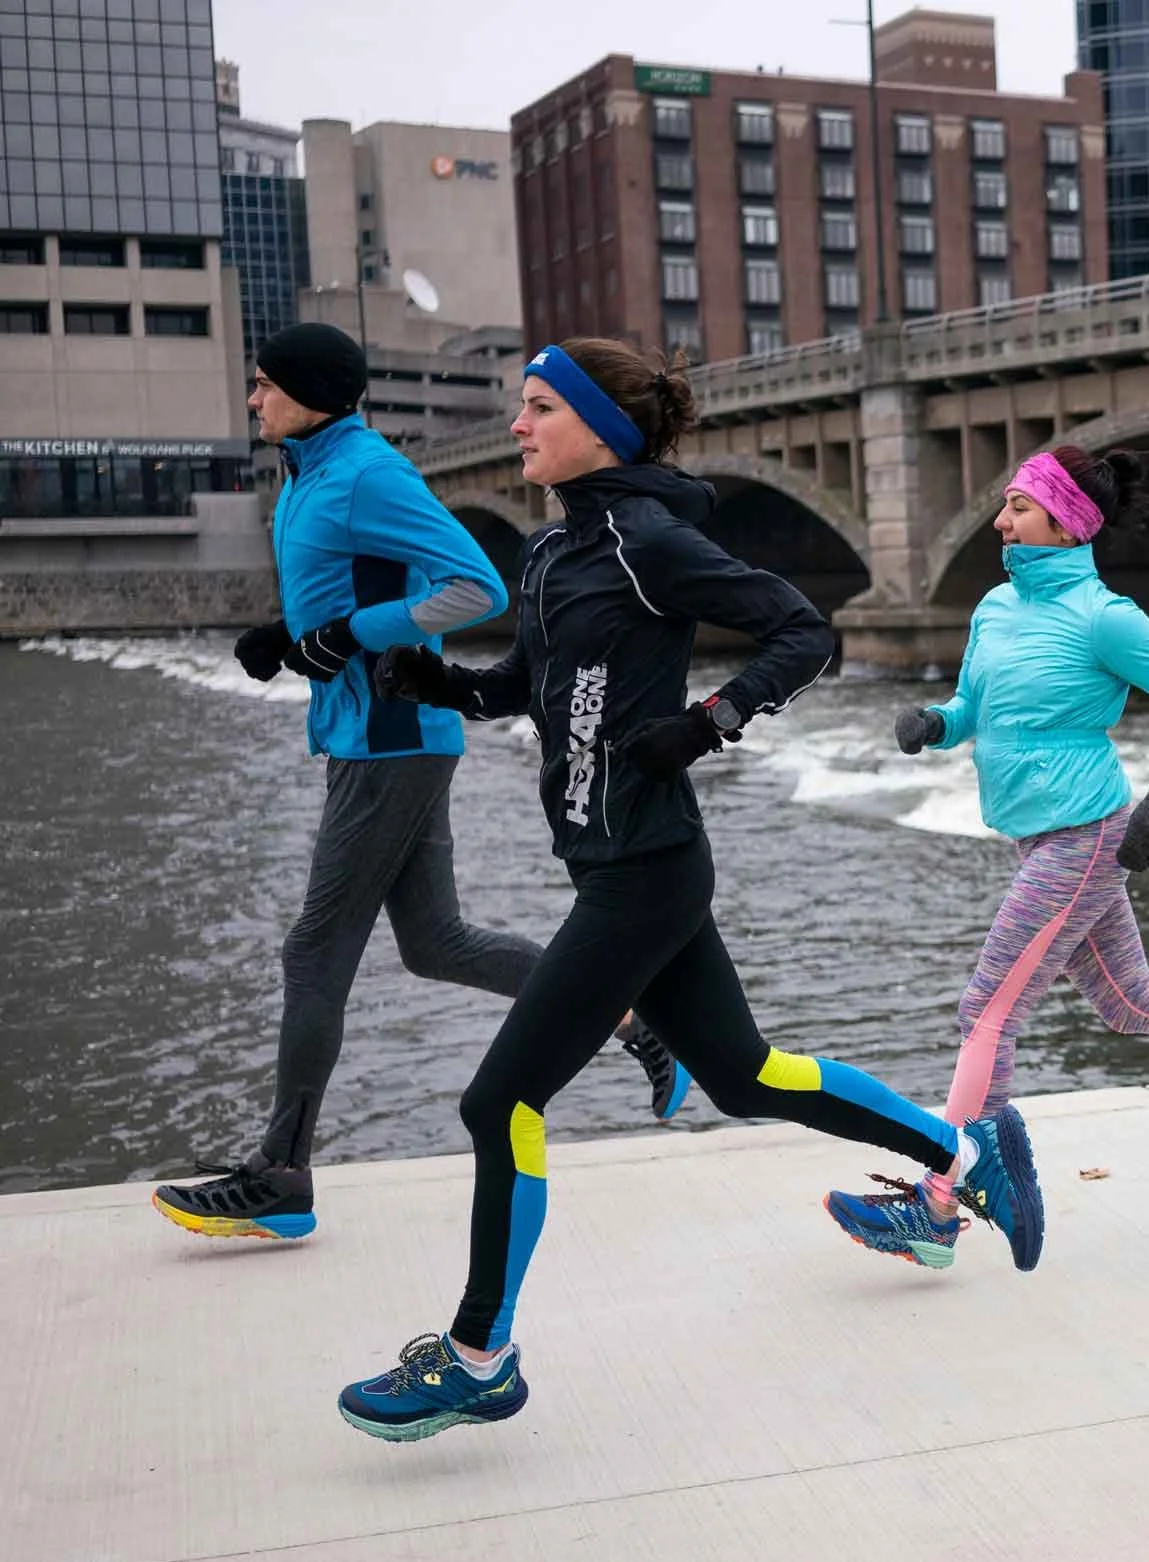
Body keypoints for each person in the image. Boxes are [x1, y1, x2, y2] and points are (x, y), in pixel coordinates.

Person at [333, 338, 986, 1442]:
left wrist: (707, 722)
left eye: (539, 407)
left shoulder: (648, 539)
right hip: (613, 861)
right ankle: (956, 1158)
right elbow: (540, 689)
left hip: (646, 872)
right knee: (746, 1074)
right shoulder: (548, 555)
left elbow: (803, 630)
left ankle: (480, 1354)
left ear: (603, 429)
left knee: (500, 1103)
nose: (518, 426)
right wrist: (447, 682)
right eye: (520, 406)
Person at [151, 324, 686, 1248]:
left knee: (313, 949)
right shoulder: (308, 467)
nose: (253, 400)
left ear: (312, 392)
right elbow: (348, 587)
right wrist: (289, 636)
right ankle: (637, 1016)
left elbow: (474, 586)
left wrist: (349, 635)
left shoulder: (366, 471)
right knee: (435, 943)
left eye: (266, 386)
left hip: (393, 734)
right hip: (368, 732)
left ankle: (282, 1173)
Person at [822, 445, 1149, 1275]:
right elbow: (978, 705)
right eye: (1004, 507)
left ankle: (937, 1204)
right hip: (1038, 835)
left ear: (1067, 524)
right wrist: (938, 721)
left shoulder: (1106, 616)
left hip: (1087, 834)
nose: (1002, 522)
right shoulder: (995, 607)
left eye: (1020, 509)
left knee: (985, 1011)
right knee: (1132, 1006)